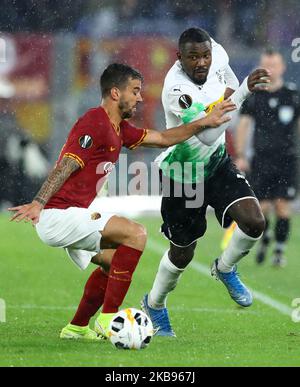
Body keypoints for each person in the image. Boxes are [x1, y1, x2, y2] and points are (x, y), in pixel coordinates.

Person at [9, 63, 235, 341]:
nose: (140, 98)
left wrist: (205, 121)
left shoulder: (118, 128)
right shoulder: (95, 122)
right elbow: (67, 163)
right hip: (58, 215)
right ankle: (108, 319)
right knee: (136, 234)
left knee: (114, 262)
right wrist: (39, 202)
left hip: (70, 216)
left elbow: (163, 138)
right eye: (135, 91)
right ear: (115, 93)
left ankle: (77, 327)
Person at [141, 28, 270, 337]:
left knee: (254, 222)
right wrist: (241, 93)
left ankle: (225, 268)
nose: (201, 63)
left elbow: (225, 74)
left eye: (205, 55)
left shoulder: (218, 55)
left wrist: (229, 91)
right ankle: (155, 304)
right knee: (182, 253)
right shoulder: (176, 90)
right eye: (193, 57)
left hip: (216, 163)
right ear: (179, 58)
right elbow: (207, 132)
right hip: (182, 174)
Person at [235, 49, 300, 267]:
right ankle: (265, 240)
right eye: (266, 66)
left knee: (283, 207)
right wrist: (242, 155)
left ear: (282, 67)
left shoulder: (293, 95)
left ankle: (279, 252)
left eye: (274, 65)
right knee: (261, 210)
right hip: (261, 160)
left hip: (287, 160)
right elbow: (243, 126)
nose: (270, 70)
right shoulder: (254, 96)